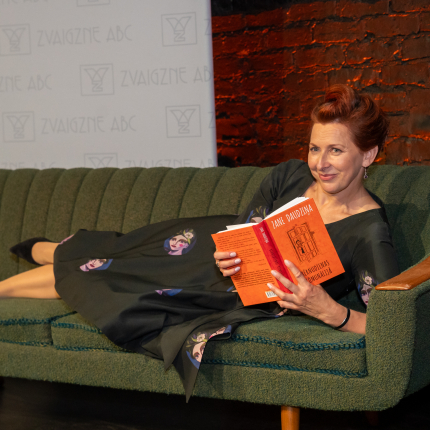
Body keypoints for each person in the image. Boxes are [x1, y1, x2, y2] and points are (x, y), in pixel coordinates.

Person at [0, 84, 399, 399]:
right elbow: (242, 231)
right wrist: (227, 254)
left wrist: (329, 310)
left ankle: (39, 261)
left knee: (110, 277)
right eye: (314, 148)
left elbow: (391, 325)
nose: (320, 163)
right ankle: (51, 250)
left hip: (228, 297)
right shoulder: (290, 175)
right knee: (117, 255)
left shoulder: (368, 232)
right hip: (202, 253)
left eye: (335, 151)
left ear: (368, 155)